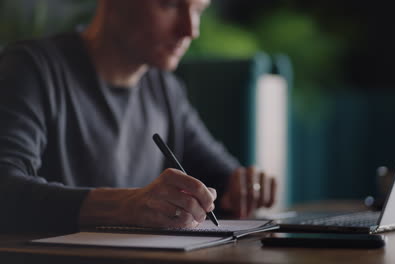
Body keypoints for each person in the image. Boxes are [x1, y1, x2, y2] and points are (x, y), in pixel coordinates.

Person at [0, 0, 276, 232]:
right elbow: (6, 189)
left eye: (198, 10)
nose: (190, 30)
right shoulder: (31, 69)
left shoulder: (164, 89)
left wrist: (242, 186)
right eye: (169, 4)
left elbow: (221, 177)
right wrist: (124, 206)